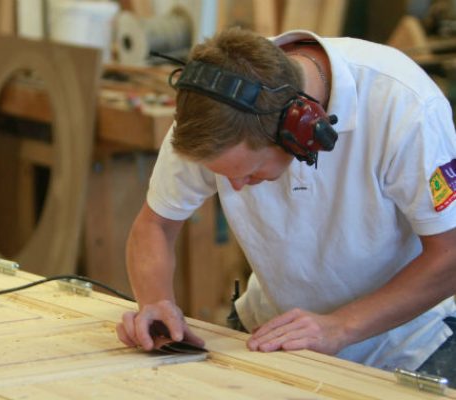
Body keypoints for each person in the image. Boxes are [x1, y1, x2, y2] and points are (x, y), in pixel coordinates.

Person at [115, 27, 456, 384]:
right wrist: (156, 304)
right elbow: (155, 225)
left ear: (303, 131)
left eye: (248, 173)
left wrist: (340, 327)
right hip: (277, 335)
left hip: (408, 347)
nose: (234, 186)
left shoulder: (403, 105)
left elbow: (449, 254)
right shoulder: (212, 112)